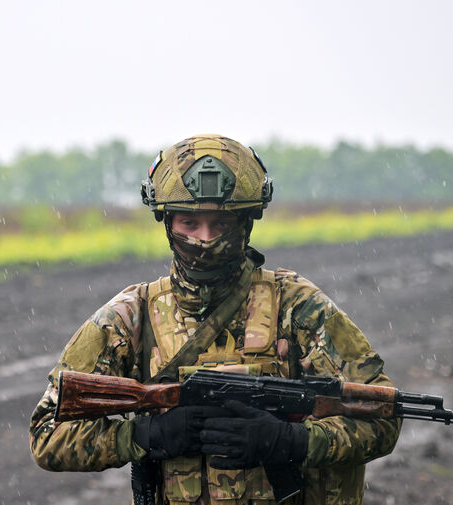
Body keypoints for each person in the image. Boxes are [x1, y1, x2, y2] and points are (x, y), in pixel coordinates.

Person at [29, 134, 400, 505]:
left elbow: (382, 417)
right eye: (190, 223)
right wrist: (144, 436)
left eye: (220, 224)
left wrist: (295, 441)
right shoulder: (130, 317)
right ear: (167, 222)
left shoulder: (298, 307)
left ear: (245, 223)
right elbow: (47, 435)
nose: (205, 240)